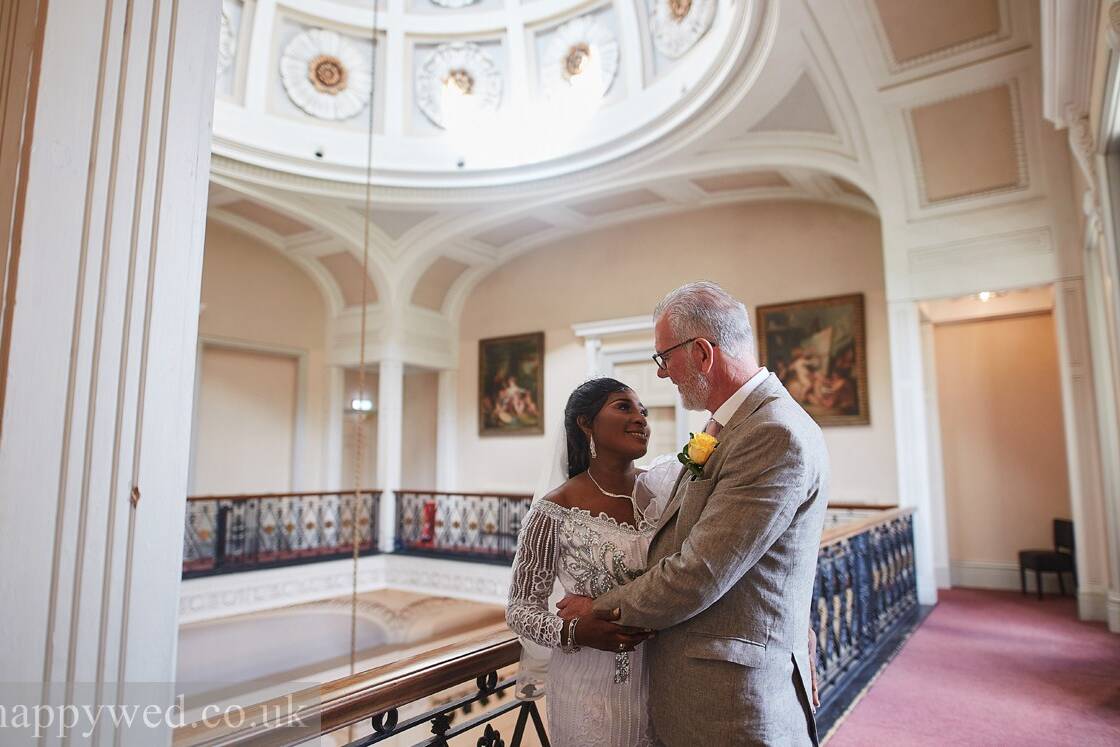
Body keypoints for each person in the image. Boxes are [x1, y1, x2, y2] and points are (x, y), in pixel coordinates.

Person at [558, 281, 829, 745]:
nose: (662, 374)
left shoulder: (771, 433)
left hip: (729, 702)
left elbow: (701, 570)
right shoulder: (732, 425)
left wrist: (596, 607)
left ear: (702, 353)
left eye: (664, 358)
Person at [505, 378, 678, 746]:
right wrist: (574, 632)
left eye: (643, 412)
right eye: (624, 407)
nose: (640, 419)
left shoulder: (665, 495)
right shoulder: (556, 509)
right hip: (590, 688)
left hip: (666, 675)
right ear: (585, 423)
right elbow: (520, 608)